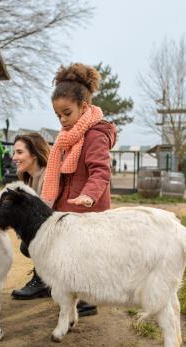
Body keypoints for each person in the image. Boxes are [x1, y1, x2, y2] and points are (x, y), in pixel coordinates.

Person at [41, 63, 117, 317]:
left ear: (84, 107)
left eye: (67, 113)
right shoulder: (67, 136)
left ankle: (87, 300)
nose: (62, 121)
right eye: (57, 116)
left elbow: (101, 171)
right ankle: (72, 295)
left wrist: (90, 194)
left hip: (87, 209)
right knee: (68, 255)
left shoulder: (95, 134)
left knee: (85, 257)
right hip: (68, 206)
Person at [9, 132, 51, 300]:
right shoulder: (29, 178)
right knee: (26, 244)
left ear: (34, 154)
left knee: (28, 245)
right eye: (14, 153)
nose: (14, 158)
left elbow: (45, 215)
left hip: (58, 232)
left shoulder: (48, 176)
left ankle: (43, 281)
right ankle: (46, 280)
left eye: (19, 152)